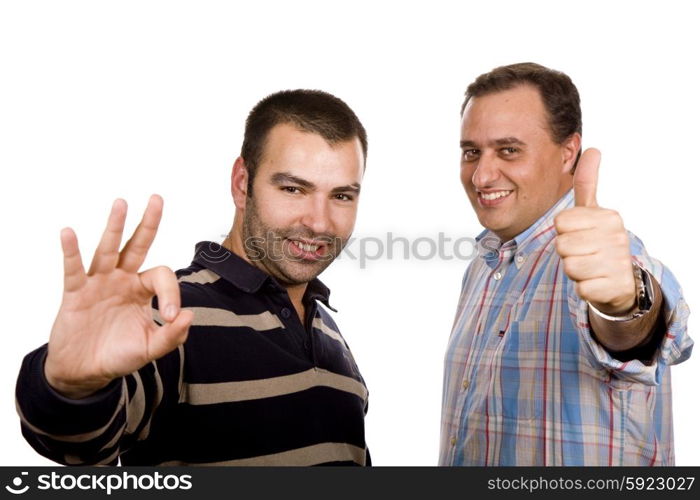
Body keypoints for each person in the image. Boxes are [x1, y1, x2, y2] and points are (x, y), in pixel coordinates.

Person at [16, 89, 371, 466]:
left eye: (342, 197)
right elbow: (81, 443)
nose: (318, 222)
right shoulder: (170, 318)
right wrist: (72, 386)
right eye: (293, 189)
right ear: (241, 184)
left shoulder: (330, 336)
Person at [439, 63, 693, 466]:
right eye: (472, 152)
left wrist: (625, 303)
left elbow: (641, 329)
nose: (482, 175)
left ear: (568, 153)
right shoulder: (482, 268)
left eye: (509, 150)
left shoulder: (598, 258)